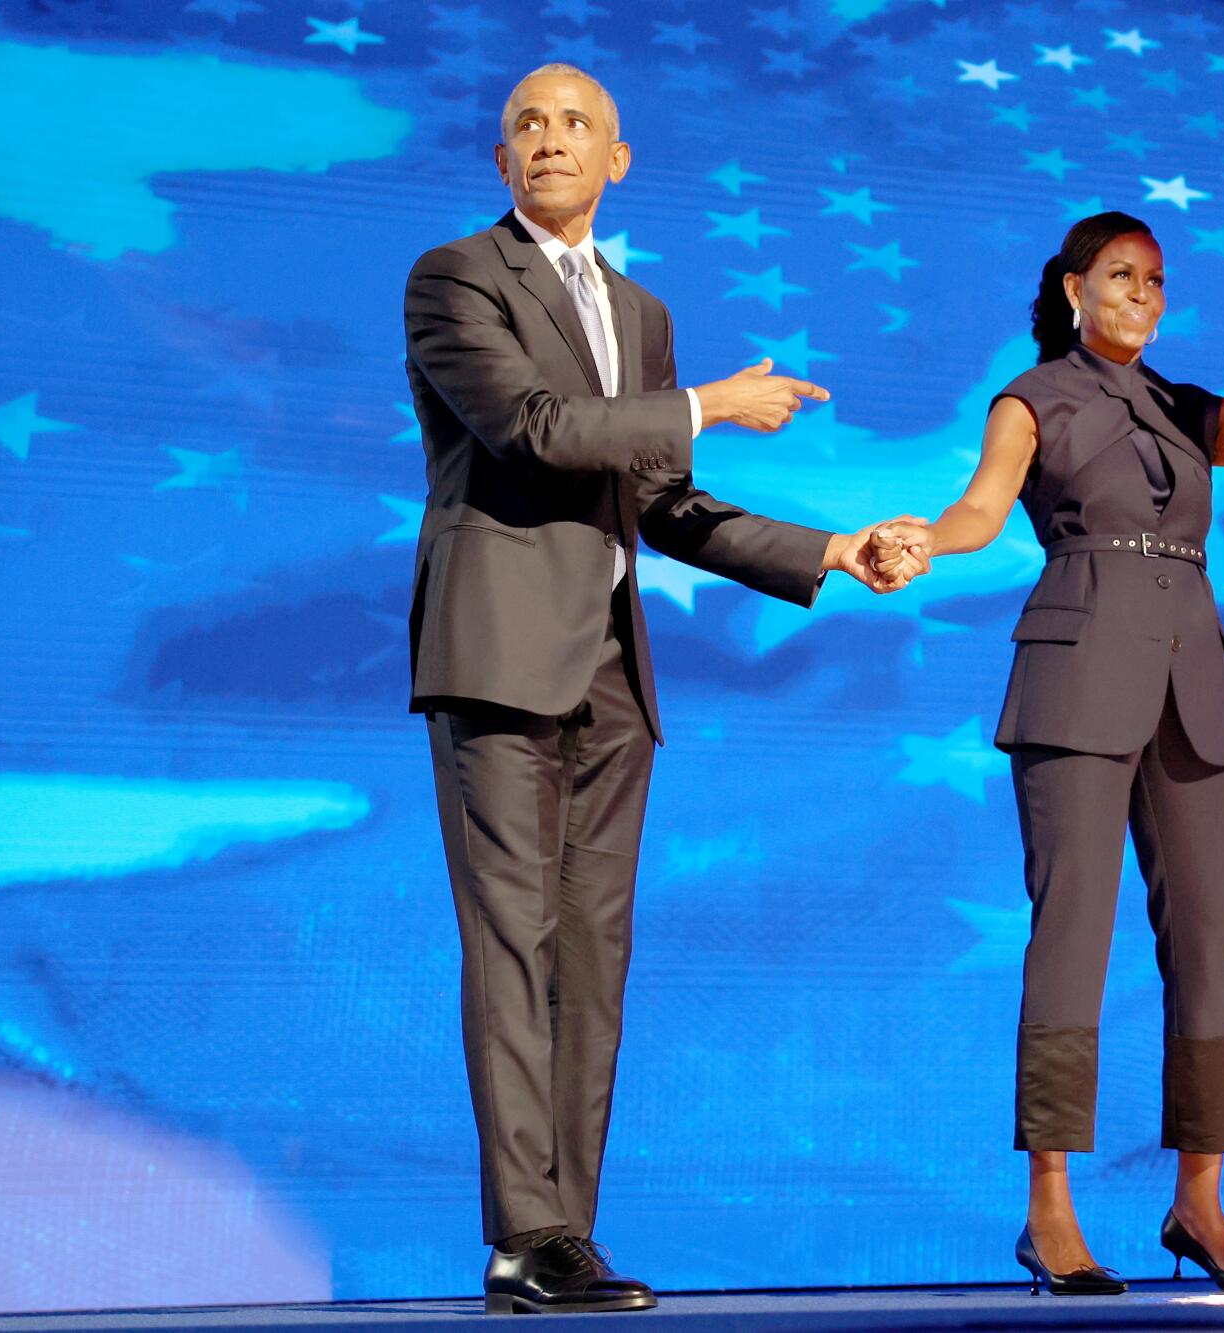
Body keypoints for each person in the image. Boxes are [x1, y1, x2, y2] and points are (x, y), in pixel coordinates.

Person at [401, 63, 927, 1315]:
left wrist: (830, 550)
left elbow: (661, 500)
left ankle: (563, 1238)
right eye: (526, 125)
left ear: (616, 159)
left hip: (610, 675)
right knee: (511, 941)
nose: (548, 141)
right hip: (497, 654)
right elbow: (533, 428)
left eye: (575, 123)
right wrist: (702, 404)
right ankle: (521, 1229)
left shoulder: (638, 313)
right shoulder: (455, 277)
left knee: (592, 955)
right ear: (500, 159)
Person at [872, 195, 1224, 1295]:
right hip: (1076, 674)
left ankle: (1198, 1203)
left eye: (1155, 280)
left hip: (1192, 684)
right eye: (1120, 276)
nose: (1141, 294)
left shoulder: (1188, 409)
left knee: (1208, 943)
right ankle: (1050, 1211)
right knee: (1072, 934)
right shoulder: (1031, 395)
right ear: (1070, 290)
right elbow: (979, 512)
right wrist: (918, 540)